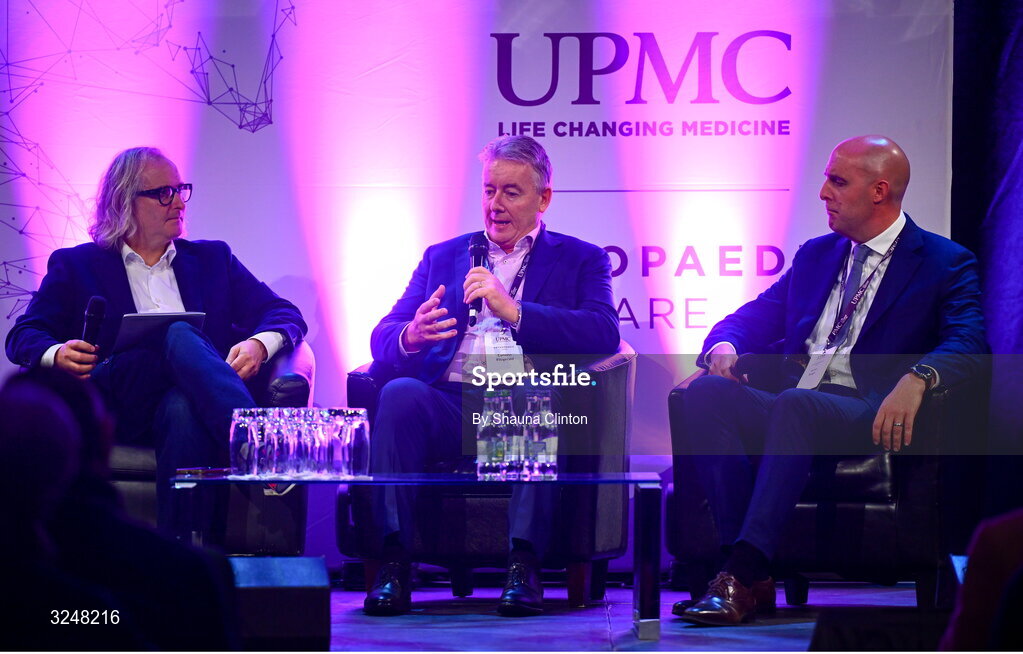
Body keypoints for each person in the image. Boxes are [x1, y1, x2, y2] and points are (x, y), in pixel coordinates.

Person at [674, 135, 987, 625]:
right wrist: (725, 345)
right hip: (792, 402)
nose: (823, 192)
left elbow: (970, 342)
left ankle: (742, 570)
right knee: (708, 393)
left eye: (837, 181)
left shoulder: (944, 263)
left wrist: (919, 376)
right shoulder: (817, 255)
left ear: (880, 191)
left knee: (797, 404)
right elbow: (753, 315)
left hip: (865, 407)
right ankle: (743, 573)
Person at [364, 135, 620, 617]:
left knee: (523, 392)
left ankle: (523, 566)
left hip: (522, 400)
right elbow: (383, 335)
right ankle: (394, 564)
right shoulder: (444, 256)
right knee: (399, 394)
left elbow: (604, 331)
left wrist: (515, 310)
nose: (494, 205)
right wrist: (412, 336)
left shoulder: (581, 258)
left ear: (543, 199)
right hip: (450, 401)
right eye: (488, 191)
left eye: (510, 192)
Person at [5, 146, 307, 537]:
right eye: (164, 193)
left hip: (192, 403)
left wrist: (259, 345)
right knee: (177, 331)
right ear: (124, 203)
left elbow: (284, 314)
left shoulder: (213, 260)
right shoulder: (77, 265)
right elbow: (22, 335)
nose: (179, 202)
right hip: (121, 399)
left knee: (182, 407)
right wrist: (56, 353)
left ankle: (188, 555)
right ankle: (259, 446)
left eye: (181, 190)